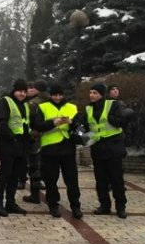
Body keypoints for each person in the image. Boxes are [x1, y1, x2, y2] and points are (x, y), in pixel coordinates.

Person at [77, 83, 130, 218]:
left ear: (101, 94)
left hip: (113, 148)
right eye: (90, 93)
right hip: (98, 148)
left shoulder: (112, 105)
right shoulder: (89, 108)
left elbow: (122, 121)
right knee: (100, 180)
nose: (92, 95)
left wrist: (111, 119)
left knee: (116, 180)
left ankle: (120, 206)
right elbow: (84, 124)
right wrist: (80, 130)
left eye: (95, 93)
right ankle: (104, 205)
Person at [33, 83, 82, 218]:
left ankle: (75, 206)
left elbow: (80, 126)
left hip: (67, 148)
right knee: (51, 179)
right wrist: (52, 123)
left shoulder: (72, 107)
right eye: (55, 95)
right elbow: (37, 125)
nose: (58, 97)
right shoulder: (43, 107)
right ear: (50, 95)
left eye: (60, 95)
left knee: (72, 180)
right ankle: (53, 205)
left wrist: (72, 123)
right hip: (50, 149)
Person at [0, 79, 30, 217]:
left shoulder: (23, 105)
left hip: (20, 145)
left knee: (15, 176)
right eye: (20, 91)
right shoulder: (4, 102)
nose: (22, 94)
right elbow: (0, 123)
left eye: (25, 91)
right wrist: (12, 138)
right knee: (5, 174)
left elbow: (24, 124)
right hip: (7, 144)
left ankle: (11, 203)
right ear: (14, 90)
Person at [22, 79, 49, 203]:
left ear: (37, 89)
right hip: (50, 139)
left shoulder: (32, 104)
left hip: (36, 139)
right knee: (48, 168)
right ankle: (51, 195)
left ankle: (35, 195)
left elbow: (28, 122)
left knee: (34, 168)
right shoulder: (51, 101)